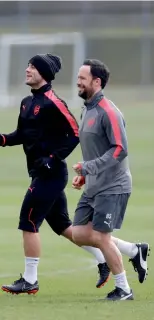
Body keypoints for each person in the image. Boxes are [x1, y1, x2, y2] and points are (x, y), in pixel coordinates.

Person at [0, 54, 148, 296]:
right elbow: (25, 133)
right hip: (64, 178)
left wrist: (56, 160)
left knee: (29, 220)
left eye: (33, 67)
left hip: (76, 179)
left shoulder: (77, 106)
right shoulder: (36, 104)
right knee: (71, 230)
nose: (27, 69)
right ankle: (131, 251)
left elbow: (93, 140)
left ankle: (32, 280)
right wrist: (3, 140)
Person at [72, 59, 149, 301]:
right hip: (94, 185)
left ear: (97, 81)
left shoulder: (109, 112)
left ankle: (124, 289)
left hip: (113, 187)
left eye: (83, 78)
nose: (78, 81)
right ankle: (134, 250)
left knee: (102, 238)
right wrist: (85, 175)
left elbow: (119, 150)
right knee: (78, 233)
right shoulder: (87, 109)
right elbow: (95, 149)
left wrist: (88, 167)